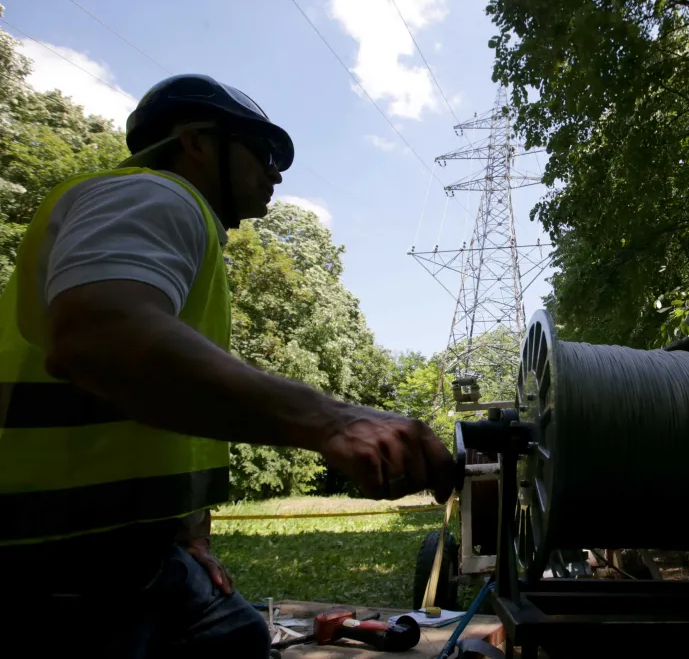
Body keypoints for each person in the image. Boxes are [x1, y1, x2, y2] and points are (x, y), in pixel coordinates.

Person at [0, 74, 455, 657]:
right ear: (196, 141)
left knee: (237, 634)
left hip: (124, 549)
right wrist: (335, 421)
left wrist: (184, 529)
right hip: (55, 562)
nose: (276, 174)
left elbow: (150, 407)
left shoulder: (175, 224)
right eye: (263, 152)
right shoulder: (154, 195)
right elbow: (97, 337)